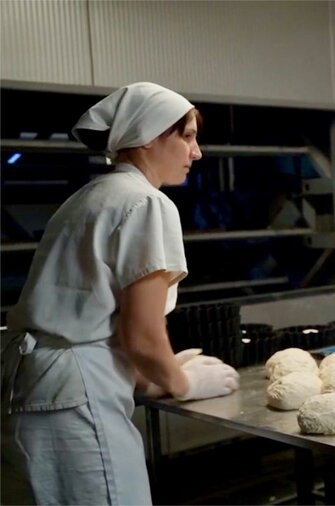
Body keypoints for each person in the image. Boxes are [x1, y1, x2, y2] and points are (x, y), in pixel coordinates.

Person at [0, 82, 240, 505]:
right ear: (148, 136)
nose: (196, 152)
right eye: (187, 136)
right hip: (77, 400)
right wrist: (183, 382)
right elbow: (142, 335)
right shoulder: (146, 203)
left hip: (30, 390)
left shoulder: (87, 198)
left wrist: (149, 379)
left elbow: (91, 310)